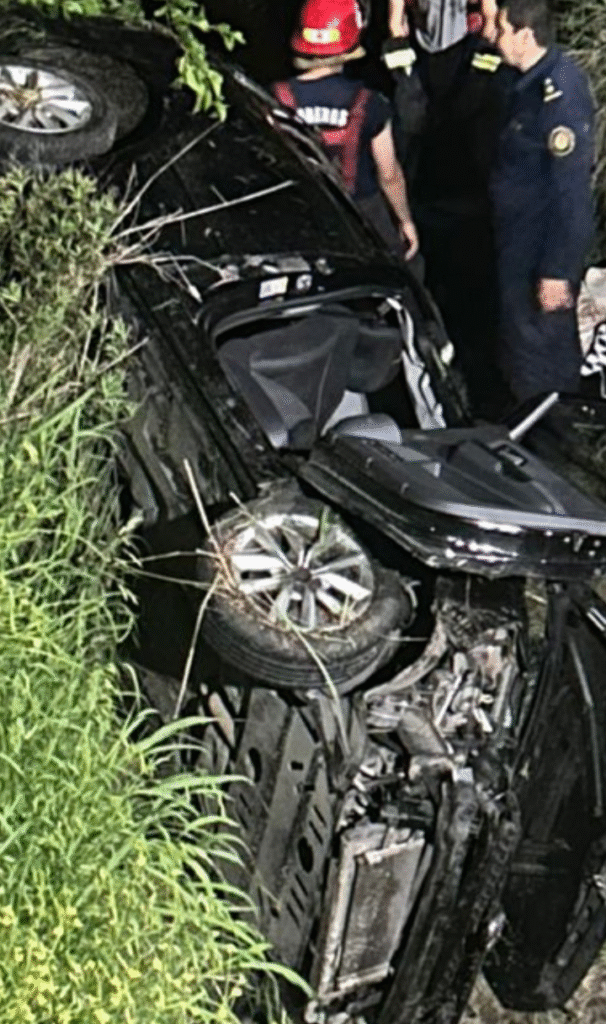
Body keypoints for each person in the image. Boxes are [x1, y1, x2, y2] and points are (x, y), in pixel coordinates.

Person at [383, 0, 510, 416]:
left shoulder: (477, 60)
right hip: (436, 195)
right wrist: (397, 30)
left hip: (464, 197)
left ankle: (473, 371)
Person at [490, 0, 595, 403]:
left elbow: (572, 194)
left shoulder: (559, 98)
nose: (495, 37)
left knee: (540, 352)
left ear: (525, 35)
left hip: (539, 245)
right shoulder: (525, 84)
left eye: (502, 30)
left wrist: (556, 270)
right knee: (518, 345)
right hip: (517, 237)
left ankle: (549, 428)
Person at [272, 0, 419, 261]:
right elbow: (389, 174)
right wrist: (405, 220)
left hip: (300, 209)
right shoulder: (369, 102)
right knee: (406, 270)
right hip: (361, 210)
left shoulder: (275, 98)